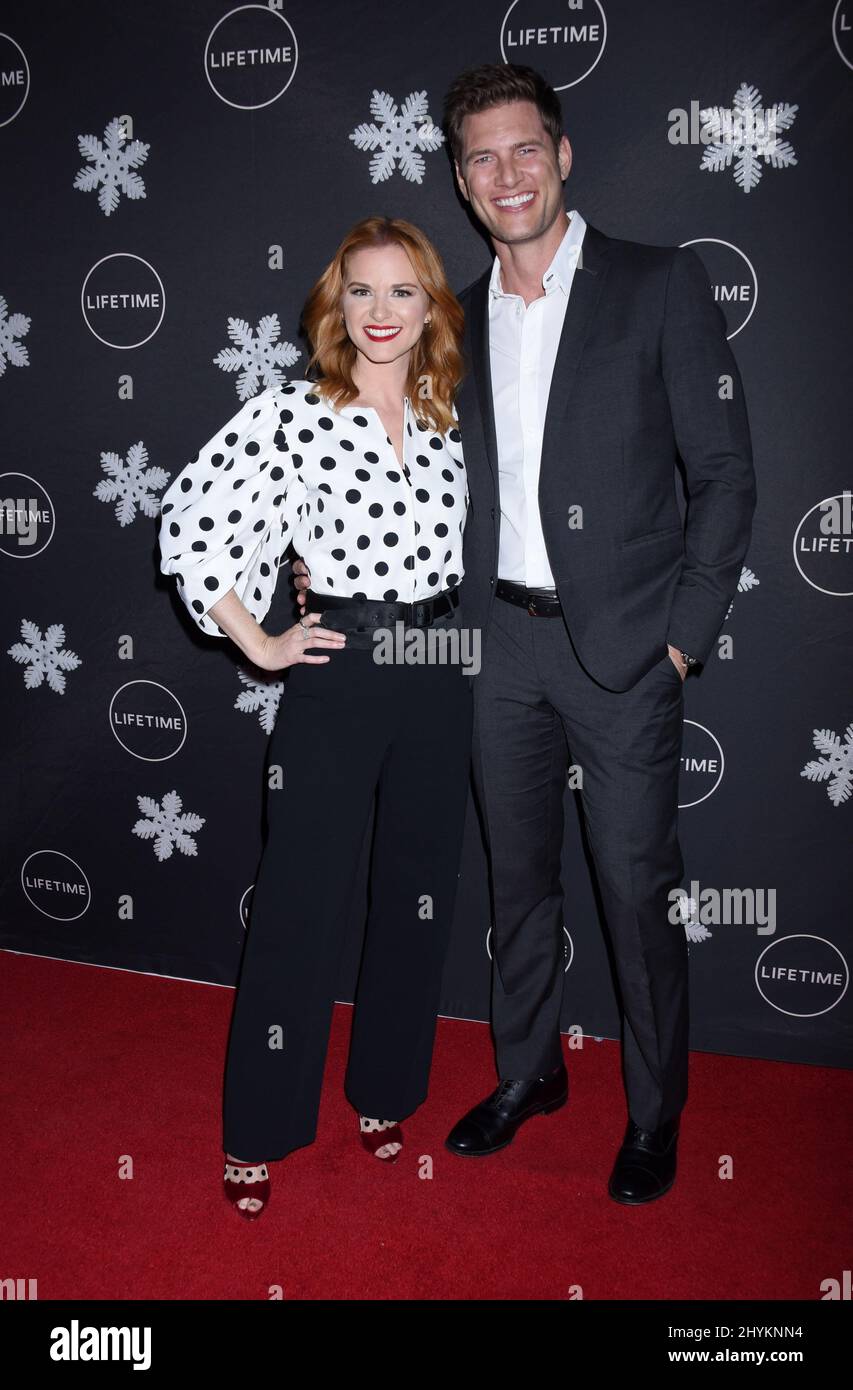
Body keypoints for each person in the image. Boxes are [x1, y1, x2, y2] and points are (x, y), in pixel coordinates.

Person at [294, 63, 757, 1205]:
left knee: (635, 894)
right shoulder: (443, 316)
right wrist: (320, 555)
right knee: (517, 890)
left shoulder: (659, 285)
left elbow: (727, 474)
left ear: (562, 156)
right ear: (459, 179)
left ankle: (654, 1113)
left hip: (624, 655)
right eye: (481, 157)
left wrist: (683, 639)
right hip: (493, 648)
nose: (506, 173)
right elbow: (386, 471)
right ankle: (526, 1073)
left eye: (523, 149)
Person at [158, 216, 473, 1218]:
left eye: (401, 293)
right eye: (361, 293)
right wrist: (259, 640)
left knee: (418, 890)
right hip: (340, 663)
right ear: (336, 308)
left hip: (442, 659)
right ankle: (259, 1127)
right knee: (300, 900)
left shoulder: (449, 415)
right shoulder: (294, 411)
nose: (381, 312)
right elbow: (193, 521)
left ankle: (384, 1093)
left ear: (431, 309)